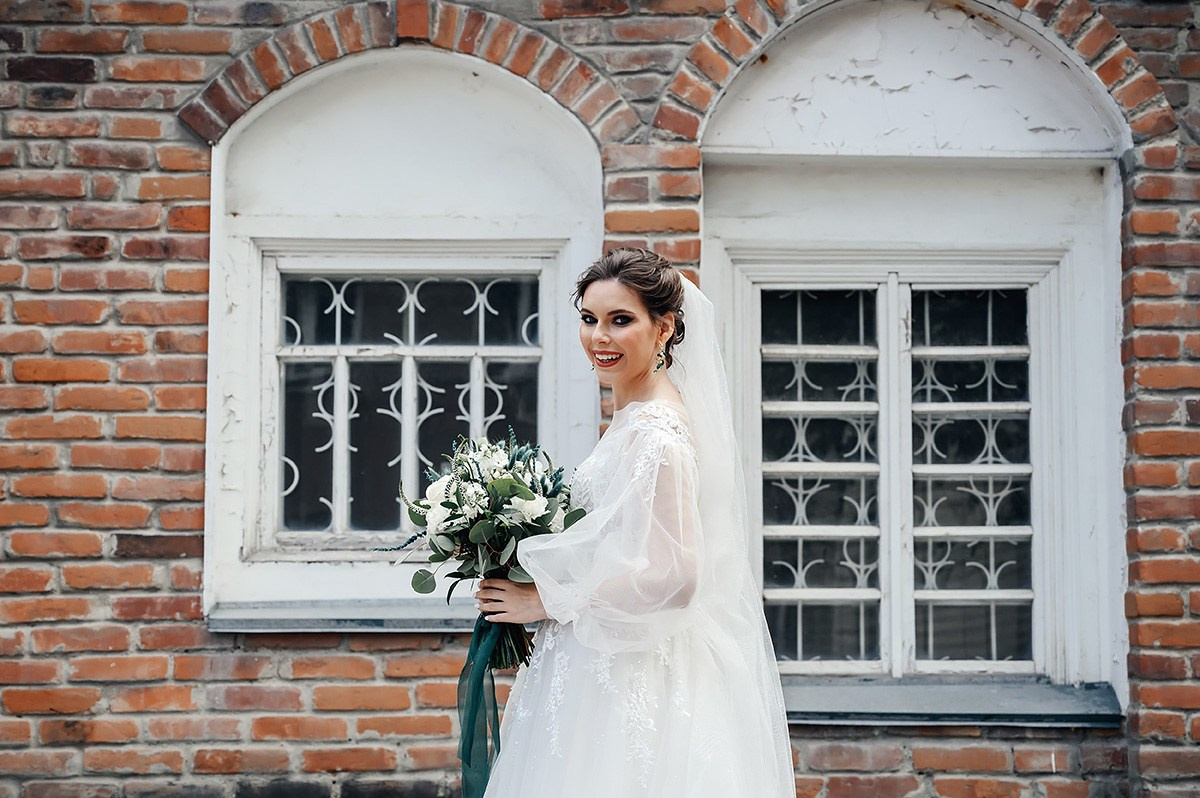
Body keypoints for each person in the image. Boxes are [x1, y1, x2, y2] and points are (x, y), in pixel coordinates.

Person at [473, 248, 794, 797]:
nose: (600, 337)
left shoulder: (656, 435)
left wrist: (546, 600)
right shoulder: (635, 416)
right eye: (589, 319)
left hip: (632, 672)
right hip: (604, 652)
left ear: (664, 327)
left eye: (621, 320)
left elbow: (675, 576)